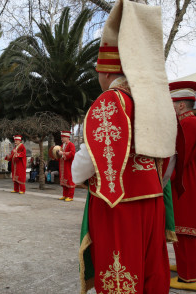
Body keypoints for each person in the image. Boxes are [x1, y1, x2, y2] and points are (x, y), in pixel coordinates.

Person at [72, 1, 177, 293]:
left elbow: (86, 162)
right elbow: (169, 160)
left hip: (119, 205)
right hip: (153, 198)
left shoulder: (110, 100)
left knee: (121, 276)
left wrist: (74, 174)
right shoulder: (152, 103)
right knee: (149, 272)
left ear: (105, 72)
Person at [168, 81, 196, 291]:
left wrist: (164, 179)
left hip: (187, 182)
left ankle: (188, 275)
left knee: (186, 228)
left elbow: (180, 158)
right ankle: (188, 266)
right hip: (188, 180)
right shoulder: (190, 122)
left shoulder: (188, 123)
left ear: (180, 106)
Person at [56, 131, 75, 201]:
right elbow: (59, 154)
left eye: (63, 137)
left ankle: (70, 196)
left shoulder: (71, 145)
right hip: (62, 166)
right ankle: (65, 195)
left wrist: (63, 153)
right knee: (64, 181)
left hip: (68, 165)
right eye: (61, 137)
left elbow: (72, 153)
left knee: (69, 180)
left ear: (67, 137)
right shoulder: (62, 146)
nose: (62, 139)